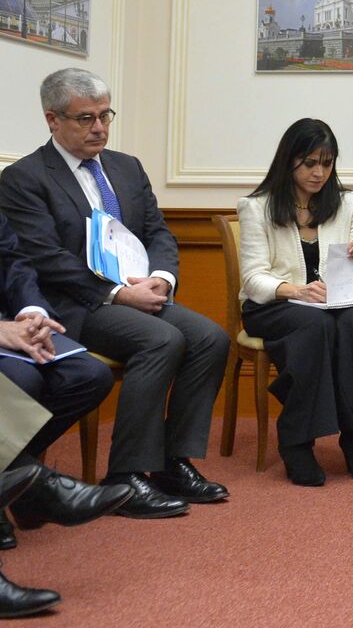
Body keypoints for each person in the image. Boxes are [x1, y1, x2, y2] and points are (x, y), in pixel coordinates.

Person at [0, 68, 231, 518]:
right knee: (161, 340)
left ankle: (171, 463)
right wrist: (116, 293)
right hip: (77, 304)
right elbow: (45, 258)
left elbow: (157, 232)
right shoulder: (25, 178)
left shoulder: (126, 167)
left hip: (141, 292)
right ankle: (126, 476)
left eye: (106, 115)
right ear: (52, 119)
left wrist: (163, 277)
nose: (100, 127)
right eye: (85, 119)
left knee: (210, 338)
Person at [237, 119, 353, 486]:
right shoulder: (257, 207)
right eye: (310, 163)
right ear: (289, 161)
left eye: (327, 163)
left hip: (334, 304)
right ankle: (298, 440)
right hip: (272, 306)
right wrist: (295, 291)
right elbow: (253, 279)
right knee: (314, 327)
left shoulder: (348, 203)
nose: (319, 173)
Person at [0, 211, 131, 565]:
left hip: (10, 321)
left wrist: (31, 312)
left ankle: (17, 484)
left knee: (87, 375)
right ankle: (33, 489)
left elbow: (13, 261)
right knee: (20, 380)